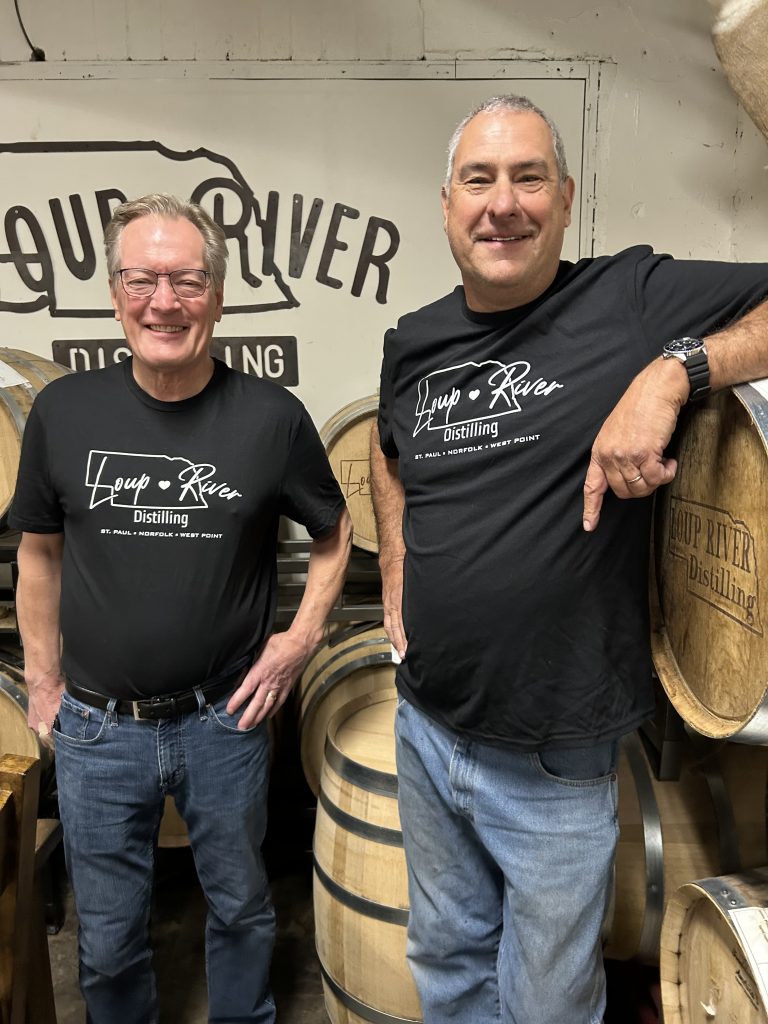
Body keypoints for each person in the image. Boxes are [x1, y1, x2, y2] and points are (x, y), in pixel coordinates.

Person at [370, 94, 768, 1024]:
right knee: (447, 959)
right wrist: (393, 564)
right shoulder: (413, 341)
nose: (503, 203)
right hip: (426, 722)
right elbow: (389, 452)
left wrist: (675, 371)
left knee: (548, 1001)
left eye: (529, 177)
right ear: (446, 203)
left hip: (553, 757)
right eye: (479, 179)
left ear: (566, 196)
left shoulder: (628, 298)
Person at [11, 193, 352, 1024]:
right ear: (115, 294)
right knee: (107, 940)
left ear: (218, 297)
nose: (163, 302)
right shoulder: (64, 412)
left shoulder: (271, 418)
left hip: (224, 719)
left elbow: (336, 532)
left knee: (241, 909)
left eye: (187, 281)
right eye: (142, 279)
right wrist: (44, 684)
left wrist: (300, 639)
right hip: (96, 728)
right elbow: (39, 553)